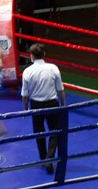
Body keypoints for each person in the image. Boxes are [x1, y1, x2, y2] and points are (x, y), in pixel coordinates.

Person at [21, 43, 65, 174]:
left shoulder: (27, 71)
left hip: (36, 105)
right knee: (55, 131)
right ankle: (49, 158)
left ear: (31, 56)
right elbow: (61, 90)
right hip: (52, 103)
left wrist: (25, 109)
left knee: (39, 133)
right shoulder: (53, 68)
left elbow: (25, 94)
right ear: (44, 54)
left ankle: (43, 158)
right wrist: (63, 106)